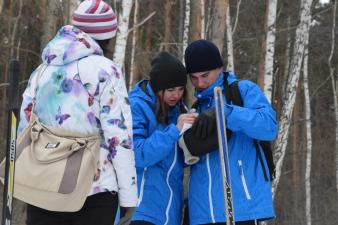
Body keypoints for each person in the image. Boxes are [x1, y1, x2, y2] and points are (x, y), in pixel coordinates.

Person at [17, 0, 137, 224]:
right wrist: (128, 197)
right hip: (92, 190)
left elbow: (25, 124)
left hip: (43, 185)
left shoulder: (43, 69)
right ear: (107, 36)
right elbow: (119, 137)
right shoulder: (105, 71)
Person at [182, 40, 278, 225]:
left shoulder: (242, 91)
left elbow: (269, 127)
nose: (199, 83)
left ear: (219, 68)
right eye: (193, 77)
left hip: (241, 209)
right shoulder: (196, 108)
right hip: (202, 214)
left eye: (205, 75)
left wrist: (225, 112)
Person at [128, 52, 197, 225]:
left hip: (170, 213)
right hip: (141, 209)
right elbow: (137, 153)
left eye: (181, 89)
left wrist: (195, 138)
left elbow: (179, 162)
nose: (176, 95)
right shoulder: (137, 106)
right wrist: (174, 131)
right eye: (171, 90)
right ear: (158, 87)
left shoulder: (179, 111)